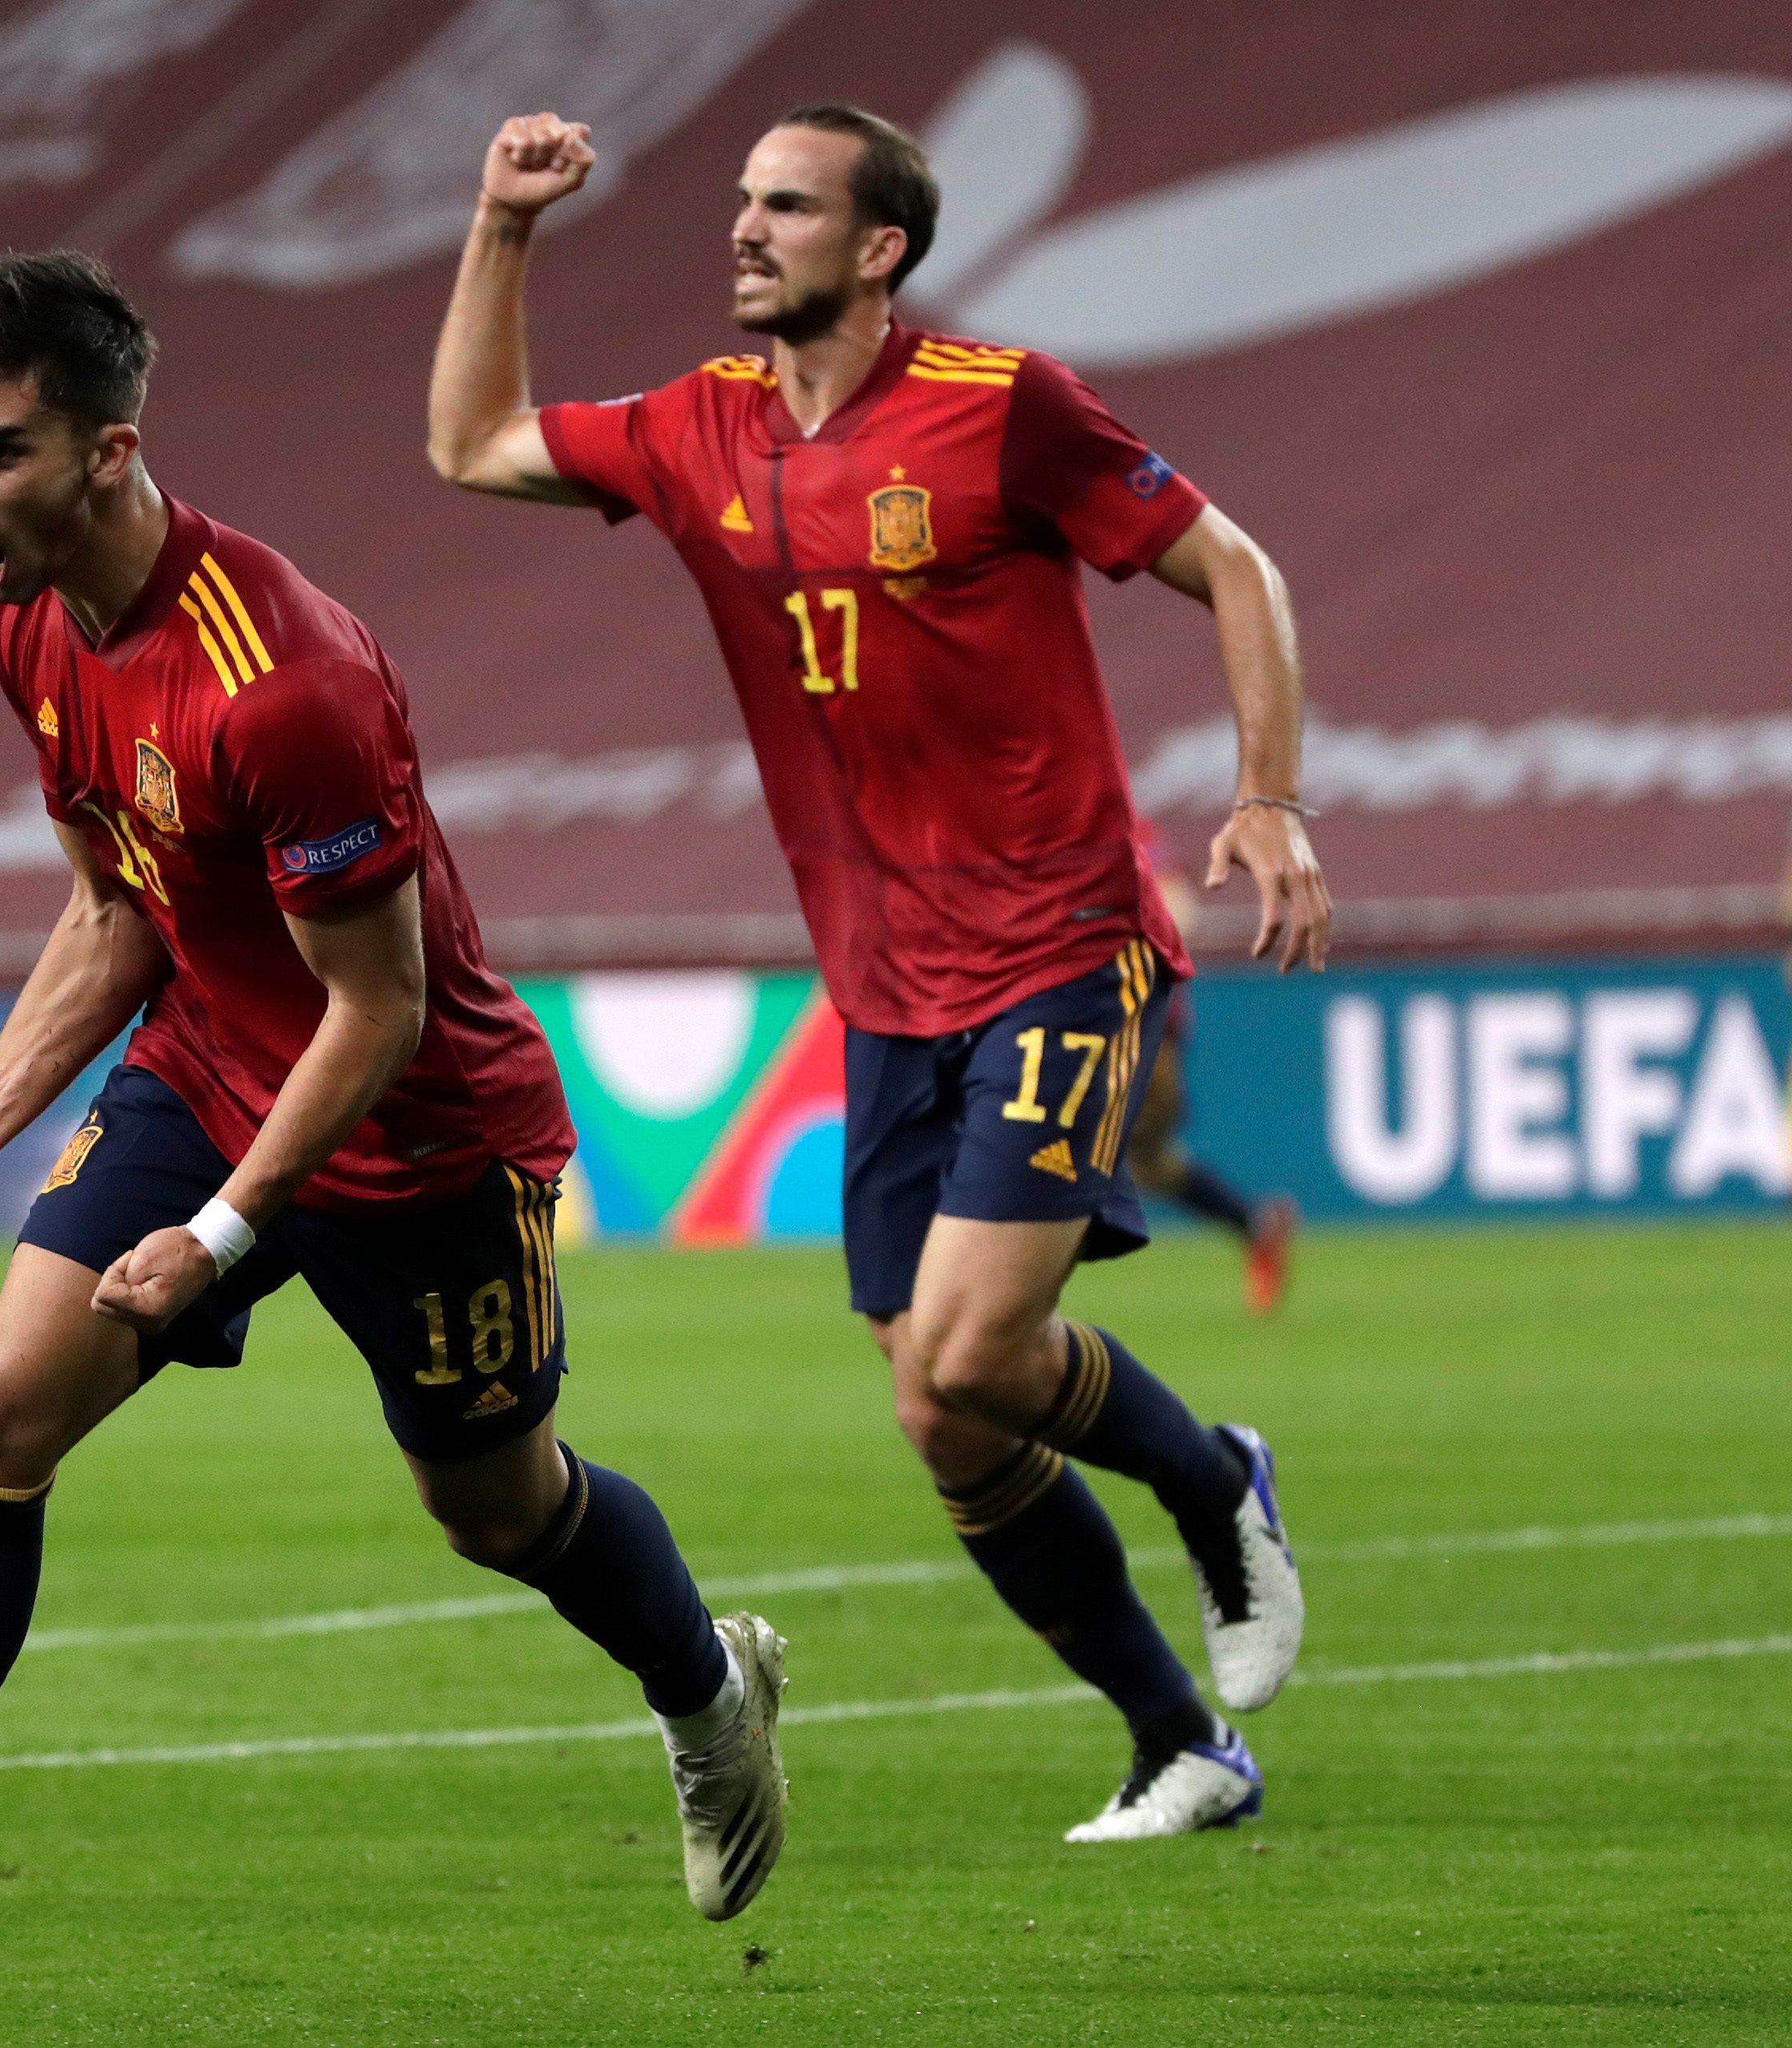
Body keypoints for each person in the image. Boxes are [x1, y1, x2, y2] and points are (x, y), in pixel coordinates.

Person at [0, 253, 787, 1987]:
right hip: (206, 1067)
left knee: (495, 1507)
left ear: (110, 449)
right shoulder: (29, 618)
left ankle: (708, 1690)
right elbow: (116, 907)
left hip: (417, 1132)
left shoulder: (285, 682)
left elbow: (381, 1006)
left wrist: (214, 1239)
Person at [427, 104, 1330, 1840]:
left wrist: (1268, 798)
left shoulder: (1002, 409)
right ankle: (1177, 1741)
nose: (744, 231)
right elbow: (468, 440)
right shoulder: (693, 429)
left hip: (1060, 940)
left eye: (786, 206)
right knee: (937, 1407)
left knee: (979, 1344)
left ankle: (1216, 1484)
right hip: (882, 985)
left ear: (879, 247)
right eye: (741, 203)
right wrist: (501, 225)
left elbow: (1232, 564)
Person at [1131, 849, 1299, 1315]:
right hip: (1090, 1030)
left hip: (1137, 1034)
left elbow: (1180, 918)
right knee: (1142, 1166)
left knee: (1077, 1155)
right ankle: (1254, 1224)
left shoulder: (1132, 833)